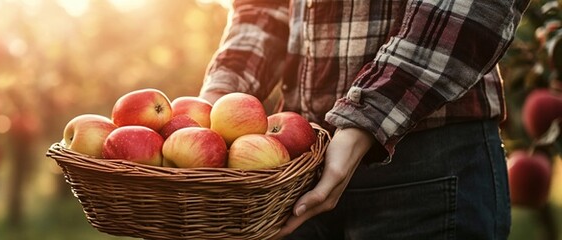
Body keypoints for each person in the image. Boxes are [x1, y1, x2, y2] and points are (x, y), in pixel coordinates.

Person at [199, 0, 530, 239]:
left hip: (427, 162)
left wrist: (366, 116)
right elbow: (264, 9)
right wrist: (211, 108)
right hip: (296, 164)